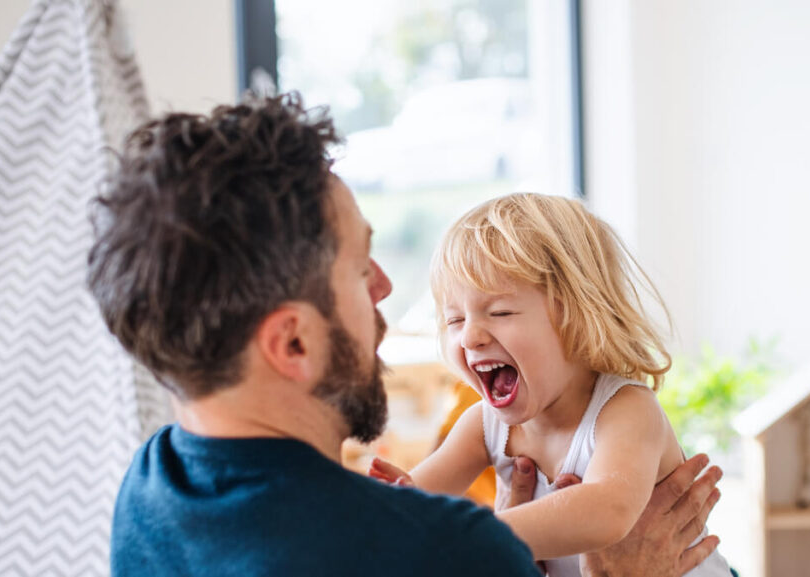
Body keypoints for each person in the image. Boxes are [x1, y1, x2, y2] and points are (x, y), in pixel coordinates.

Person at [86, 93, 722, 576]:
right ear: (293, 344)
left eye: (498, 311)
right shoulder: (449, 552)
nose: (386, 287)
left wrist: (401, 498)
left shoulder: (148, 490)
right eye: (361, 267)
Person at [369, 193, 731, 575]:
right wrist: (399, 506)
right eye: (454, 320)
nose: (470, 337)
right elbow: (418, 514)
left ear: (575, 317)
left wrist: (475, 535)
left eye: (500, 312)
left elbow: (607, 513)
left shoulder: (625, 410)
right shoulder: (482, 425)